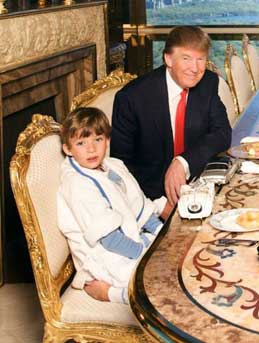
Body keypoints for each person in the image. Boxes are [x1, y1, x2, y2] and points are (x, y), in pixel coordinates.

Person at [57, 107, 169, 303]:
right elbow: (109, 239)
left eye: (98, 140)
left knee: (180, 260)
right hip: (104, 252)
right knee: (164, 283)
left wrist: (162, 234)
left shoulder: (112, 166)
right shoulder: (78, 184)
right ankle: (116, 294)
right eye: (81, 143)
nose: (91, 149)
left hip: (132, 240)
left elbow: (137, 206)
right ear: (68, 149)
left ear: (107, 141)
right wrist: (147, 253)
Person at [111, 26, 231, 208]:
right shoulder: (132, 98)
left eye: (201, 59)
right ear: (168, 59)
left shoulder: (208, 82)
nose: (195, 68)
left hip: (199, 187)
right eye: (186, 58)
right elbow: (121, 165)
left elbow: (222, 133)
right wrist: (157, 206)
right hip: (152, 198)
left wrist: (183, 162)